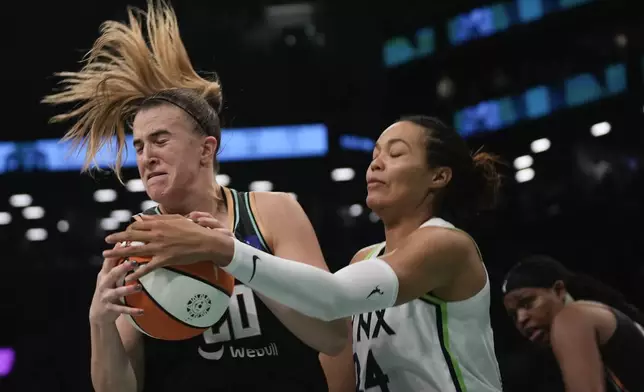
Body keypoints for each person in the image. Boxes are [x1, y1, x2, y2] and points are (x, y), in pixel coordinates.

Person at [42, 1, 348, 391]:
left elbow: (334, 335)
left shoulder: (271, 212)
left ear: (206, 150)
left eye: (160, 140)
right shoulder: (140, 242)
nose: (147, 157)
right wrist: (99, 322)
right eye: (138, 146)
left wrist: (235, 256)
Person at [106, 115, 506, 391]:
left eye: (396, 153)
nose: (376, 163)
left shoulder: (446, 244)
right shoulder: (364, 260)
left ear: (439, 176)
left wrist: (224, 248)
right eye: (374, 154)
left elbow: (332, 297)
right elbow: (338, 352)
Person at [502, 255, 644, 392]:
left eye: (528, 303)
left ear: (559, 290)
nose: (521, 319)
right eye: (513, 315)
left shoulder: (571, 317)